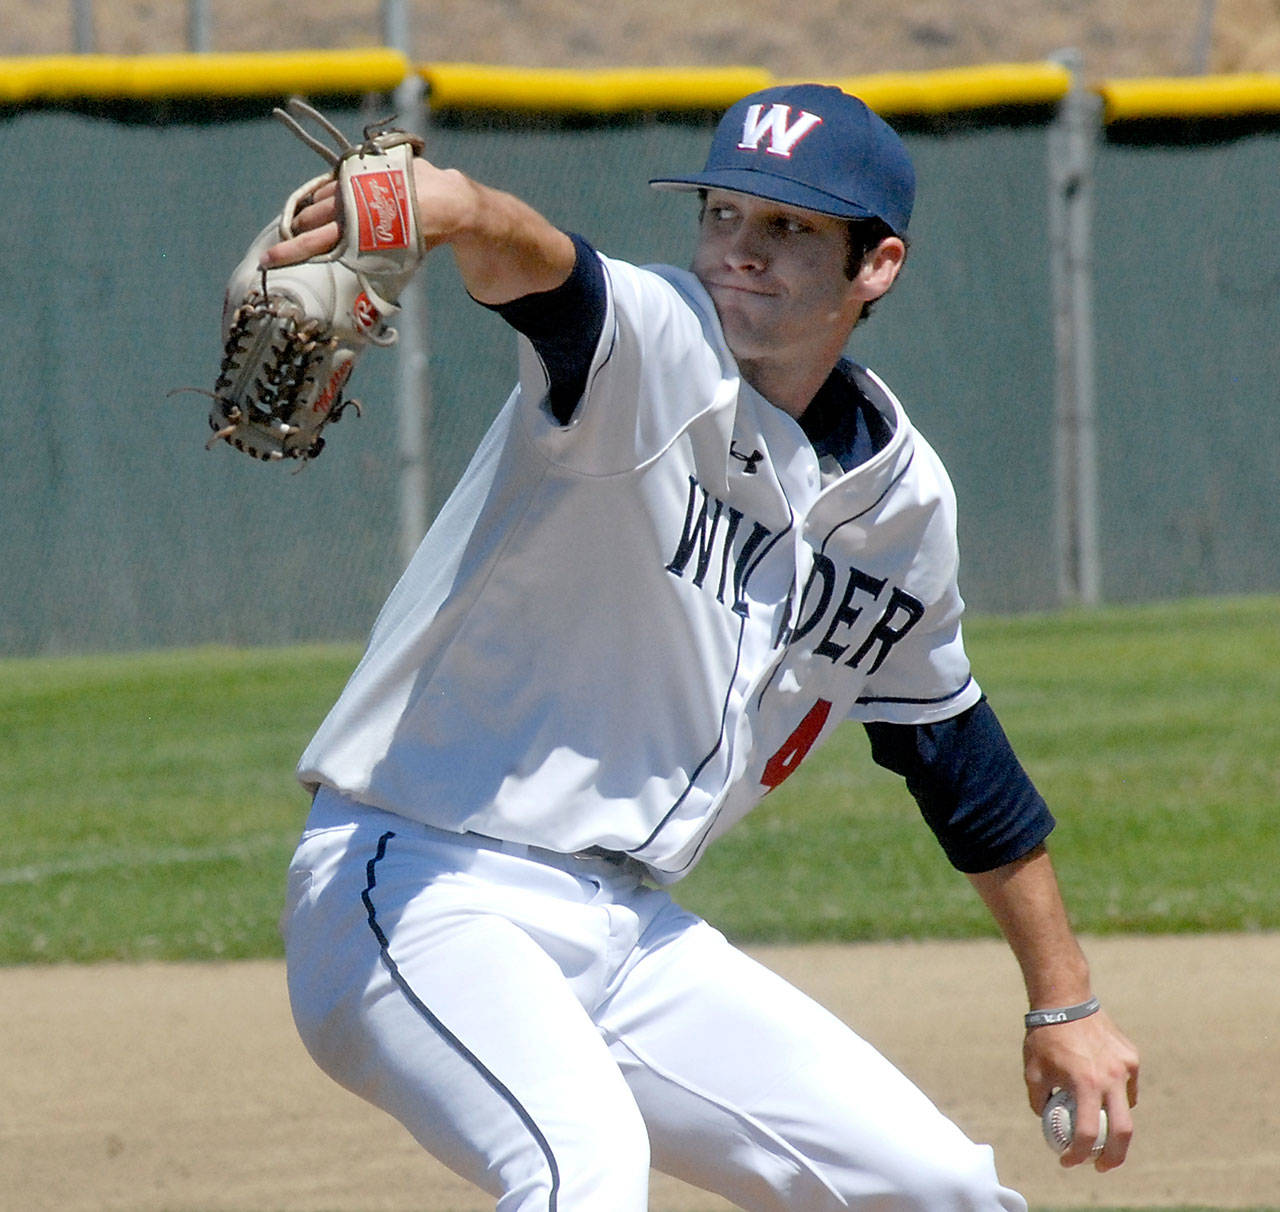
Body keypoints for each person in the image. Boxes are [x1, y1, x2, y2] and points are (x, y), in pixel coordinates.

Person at [271, 83, 1139, 1210]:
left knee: (936, 1188)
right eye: (722, 214)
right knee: (580, 1169)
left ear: (873, 266)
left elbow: (951, 753)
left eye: (786, 228)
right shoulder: (654, 344)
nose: (739, 251)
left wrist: (1062, 1003)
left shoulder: (903, 498)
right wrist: (457, 206)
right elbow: (549, 273)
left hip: (626, 939)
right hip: (422, 885)